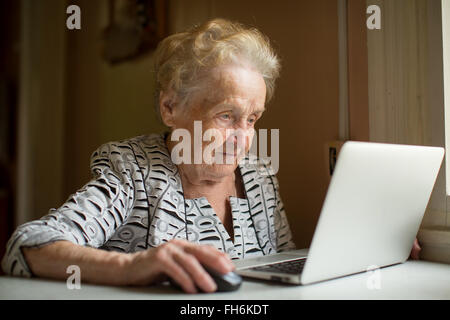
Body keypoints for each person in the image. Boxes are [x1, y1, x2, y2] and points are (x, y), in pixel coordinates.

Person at [1, 18, 296, 294]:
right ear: (170, 107)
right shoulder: (133, 172)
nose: (242, 138)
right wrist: (130, 266)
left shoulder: (259, 177)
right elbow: (28, 246)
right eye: (225, 115)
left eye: (252, 119)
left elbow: (288, 265)